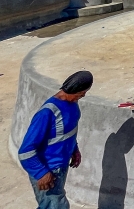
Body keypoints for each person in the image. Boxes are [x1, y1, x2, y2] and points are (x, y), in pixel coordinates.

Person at [18, 71, 93, 209]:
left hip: (60, 168)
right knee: (56, 206)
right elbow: (25, 151)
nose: (83, 96)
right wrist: (41, 173)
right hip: (48, 170)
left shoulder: (73, 105)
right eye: (81, 93)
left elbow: (67, 133)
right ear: (73, 89)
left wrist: (74, 149)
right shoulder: (47, 113)